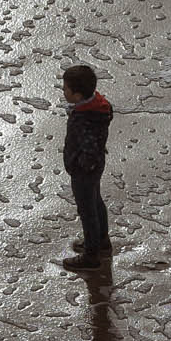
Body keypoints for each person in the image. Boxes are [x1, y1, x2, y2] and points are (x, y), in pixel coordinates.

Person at [60, 62, 113, 271]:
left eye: (65, 89)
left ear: (77, 95)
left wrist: (81, 165)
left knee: (87, 210)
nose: (63, 91)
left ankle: (91, 255)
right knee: (96, 202)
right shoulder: (98, 107)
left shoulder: (84, 118)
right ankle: (102, 242)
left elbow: (89, 148)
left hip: (85, 171)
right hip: (96, 166)